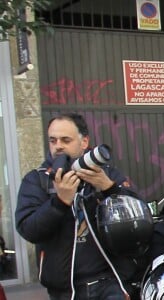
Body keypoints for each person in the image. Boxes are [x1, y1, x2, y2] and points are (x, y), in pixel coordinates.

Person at [15, 113, 143, 300]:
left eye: (65, 140)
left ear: (84, 142)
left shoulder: (107, 174)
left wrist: (109, 188)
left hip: (111, 280)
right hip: (66, 288)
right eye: (53, 140)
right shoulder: (37, 180)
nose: (58, 146)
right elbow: (29, 230)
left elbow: (138, 216)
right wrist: (59, 202)